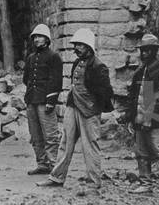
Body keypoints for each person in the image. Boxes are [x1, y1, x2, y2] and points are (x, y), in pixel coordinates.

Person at [41, 28, 114, 190]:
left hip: (89, 111)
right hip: (73, 106)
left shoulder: (98, 66)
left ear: (88, 46)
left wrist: (95, 108)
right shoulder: (77, 62)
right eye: (75, 45)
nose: (76, 48)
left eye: (79, 45)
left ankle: (94, 181)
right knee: (65, 142)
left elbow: (106, 92)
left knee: (90, 145)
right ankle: (56, 177)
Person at [124, 33, 159, 190]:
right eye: (143, 50)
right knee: (142, 152)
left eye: (149, 50)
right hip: (140, 118)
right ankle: (145, 182)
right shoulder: (140, 72)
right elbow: (133, 97)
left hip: (156, 120)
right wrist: (130, 116)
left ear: (155, 51)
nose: (145, 53)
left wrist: (150, 119)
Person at [23, 23, 63, 174]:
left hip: (45, 101)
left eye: (40, 37)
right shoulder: (31, 58)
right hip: (32, 100)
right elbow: (26, 78)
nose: (37, 40)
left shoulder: (54, 57)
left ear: (47, 39)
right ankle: (42, 164)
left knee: (50, 136)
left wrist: (50, 101)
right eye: (35, 37)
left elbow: (56, 81)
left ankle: (54, 167)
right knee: (35, 136)